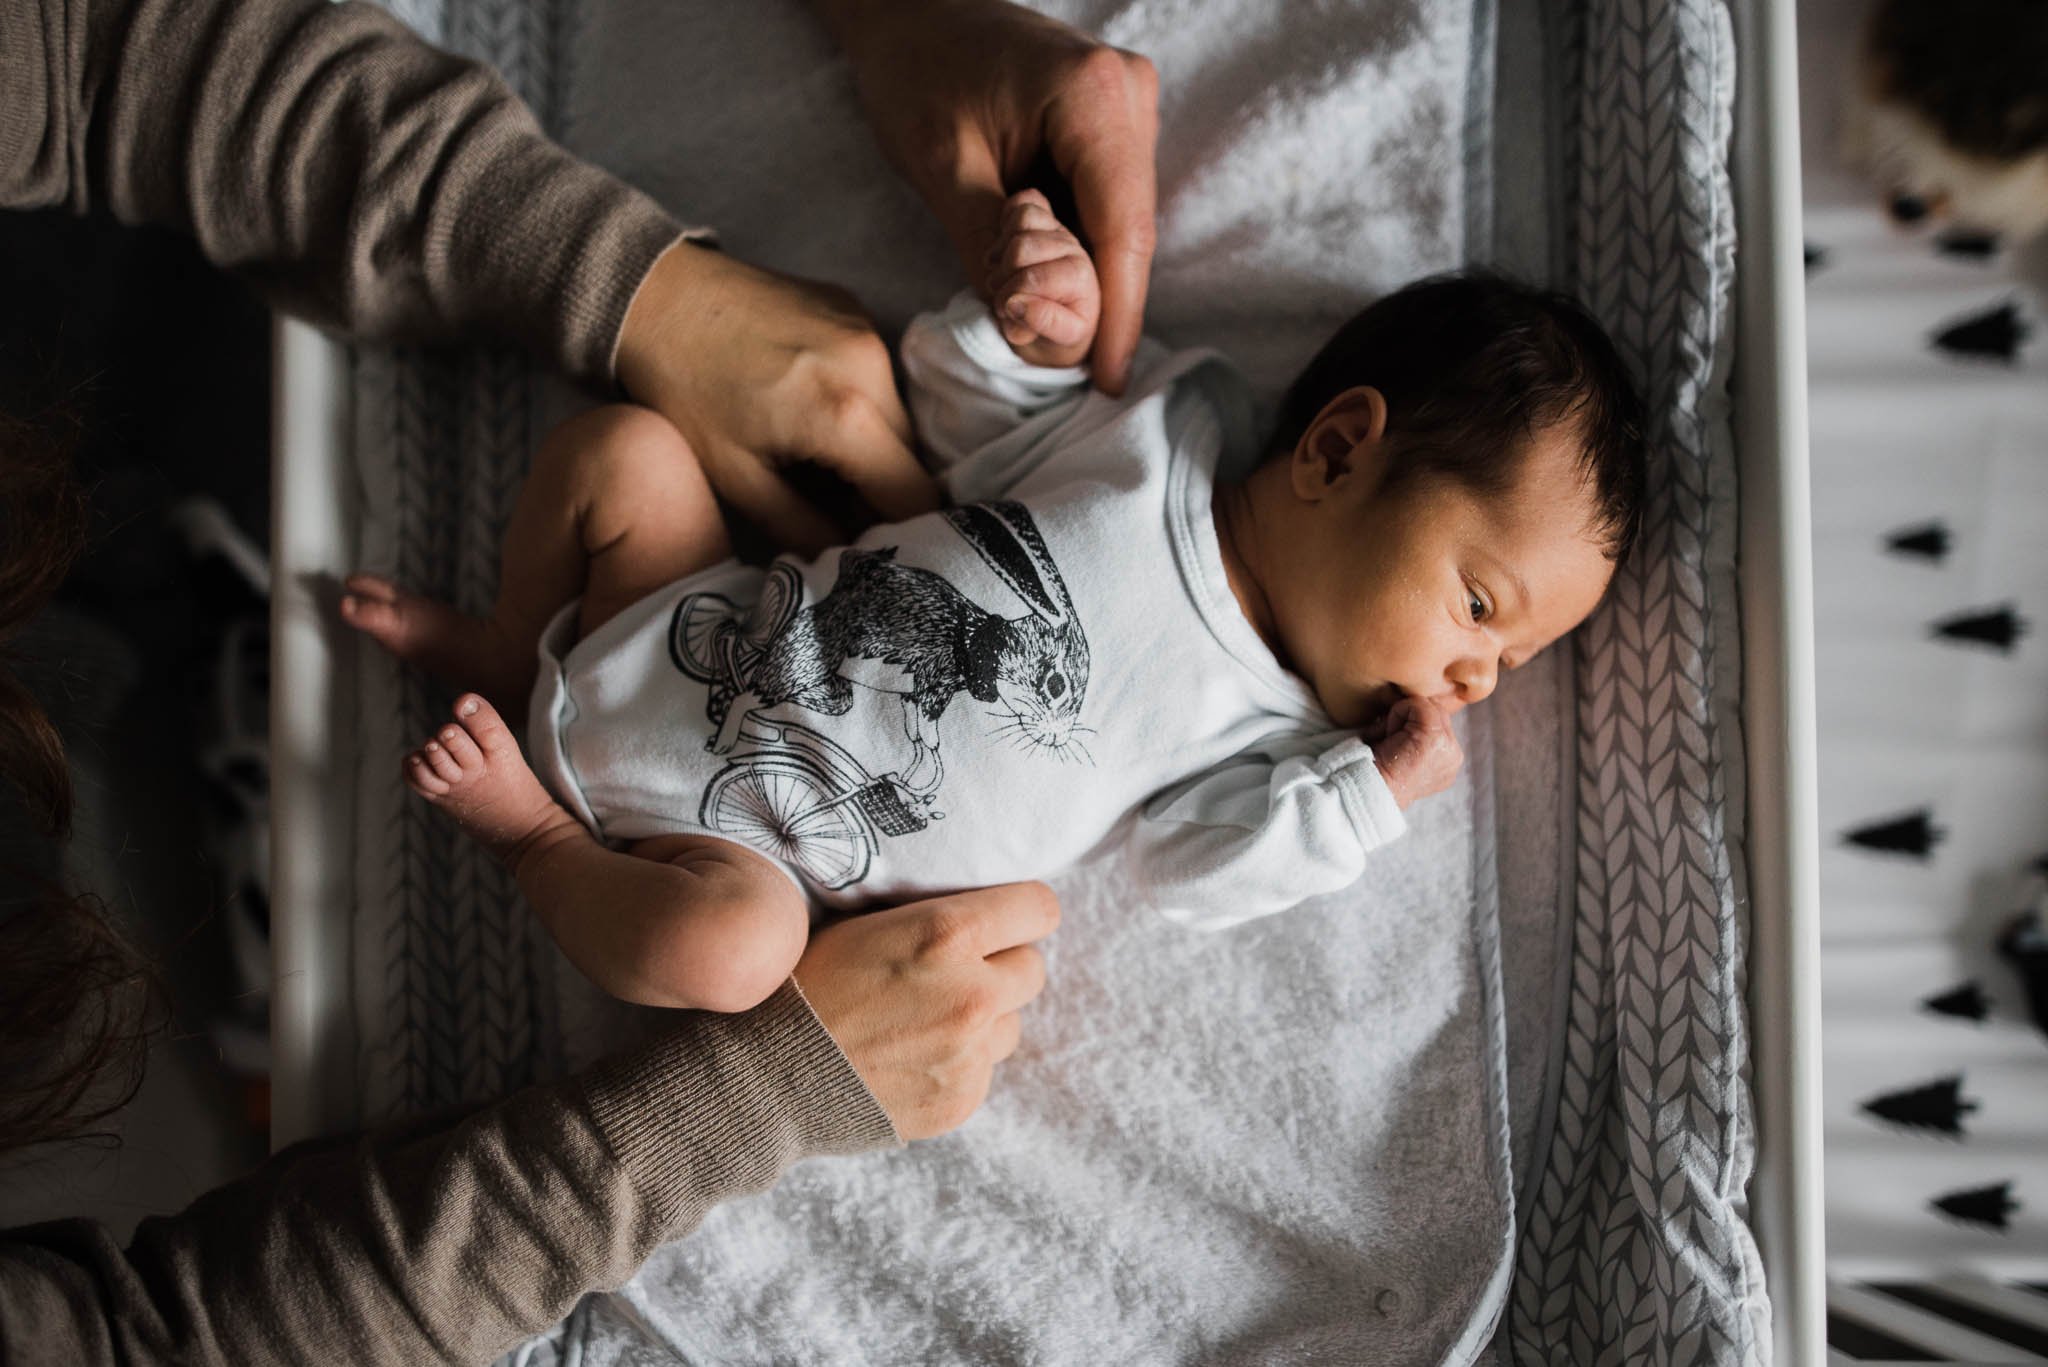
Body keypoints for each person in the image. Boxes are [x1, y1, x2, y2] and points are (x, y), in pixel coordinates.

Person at [0, 0, 1159, 1359]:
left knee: (633, 460)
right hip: (692, 824)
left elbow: (105, 53)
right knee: (736, 954)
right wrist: (755, 1098)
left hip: (664, 672)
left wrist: (651, 288)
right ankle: (536, 831)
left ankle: (502, 642)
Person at [342, 191, 1648, 1015]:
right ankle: (520, 647)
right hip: (702, 607)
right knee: (624, 455)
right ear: (1336, 452)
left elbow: (1190, 874)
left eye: (1515, 659)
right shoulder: (1160, 437)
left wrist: (1365, 796)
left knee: (729, 959)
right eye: (1482, 604)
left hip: (760, 850)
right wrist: (1029, 333)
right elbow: (971, 431)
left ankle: (529, 833)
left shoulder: (1282, 742)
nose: (1480, 674)